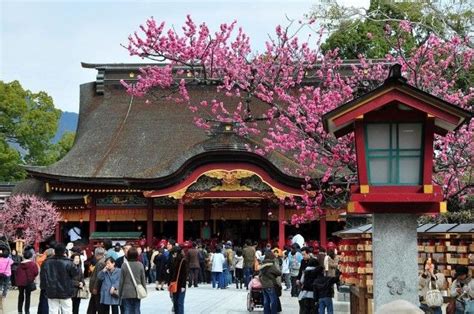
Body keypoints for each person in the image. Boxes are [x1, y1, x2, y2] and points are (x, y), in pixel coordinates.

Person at [40, 243, 78, 313]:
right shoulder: (69, 262)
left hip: (51, 290)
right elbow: (75, 274)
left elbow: (43, 277)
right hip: (66, 291)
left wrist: (43, 288)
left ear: (54, 251)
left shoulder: (46, 262)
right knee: (67, 311)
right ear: (64, 252)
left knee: (53, 310)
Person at [119, 246, 146, 314]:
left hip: (126, 292)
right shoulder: (140, 265)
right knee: (136, 309)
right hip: (137, 291)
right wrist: (144, 290)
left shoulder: (124, 265)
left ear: (128, 255)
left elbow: (121, 281)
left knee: (127, 309)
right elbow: (143, 279)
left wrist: (120, 293)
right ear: (137, 255)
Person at [15, 249, 38, 314]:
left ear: (24, 256)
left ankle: (19, 310)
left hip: (20, 282)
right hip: (28, 282)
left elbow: (17, 273)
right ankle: (27, 311)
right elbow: (36, 272)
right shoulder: (33, 264)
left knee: (20, 295)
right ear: (31, 256)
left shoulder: (19, 265)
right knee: (28, 296)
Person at [169, 247, 188, 314]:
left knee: (180, 302)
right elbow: (171, 274)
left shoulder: (183, 261)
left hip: (181, 285)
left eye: (173, 253)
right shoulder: (173, 261)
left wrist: (183, 286)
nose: (172, 255)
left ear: (176, 253)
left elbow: (184, 274)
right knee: (175, 302)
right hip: (174, 284)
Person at [87, 247, 106, 314]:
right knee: (93, 307)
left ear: (96, 254)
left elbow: (99, 277)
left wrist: (95, 288)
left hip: (97, 289)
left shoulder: (100, 263)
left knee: (97, 307)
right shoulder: (102, 261)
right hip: (97, 289)